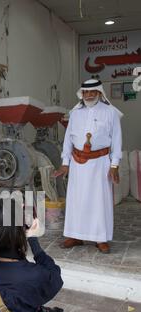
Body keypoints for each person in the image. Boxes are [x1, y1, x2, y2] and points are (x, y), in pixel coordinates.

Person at [54, 78, 123, 254]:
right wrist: (65, 163)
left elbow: (116, 140)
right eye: (86, 92)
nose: (89, 95)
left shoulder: (110, 112)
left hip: (100, 163)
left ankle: (100, 238)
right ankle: (75, 235)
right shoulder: (75, 113)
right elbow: (68, 140)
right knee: (77, 200)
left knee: (99, 202)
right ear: (82, 94)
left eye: (93, 92)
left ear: (99, 93)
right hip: (78, 164)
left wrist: (114, 165)